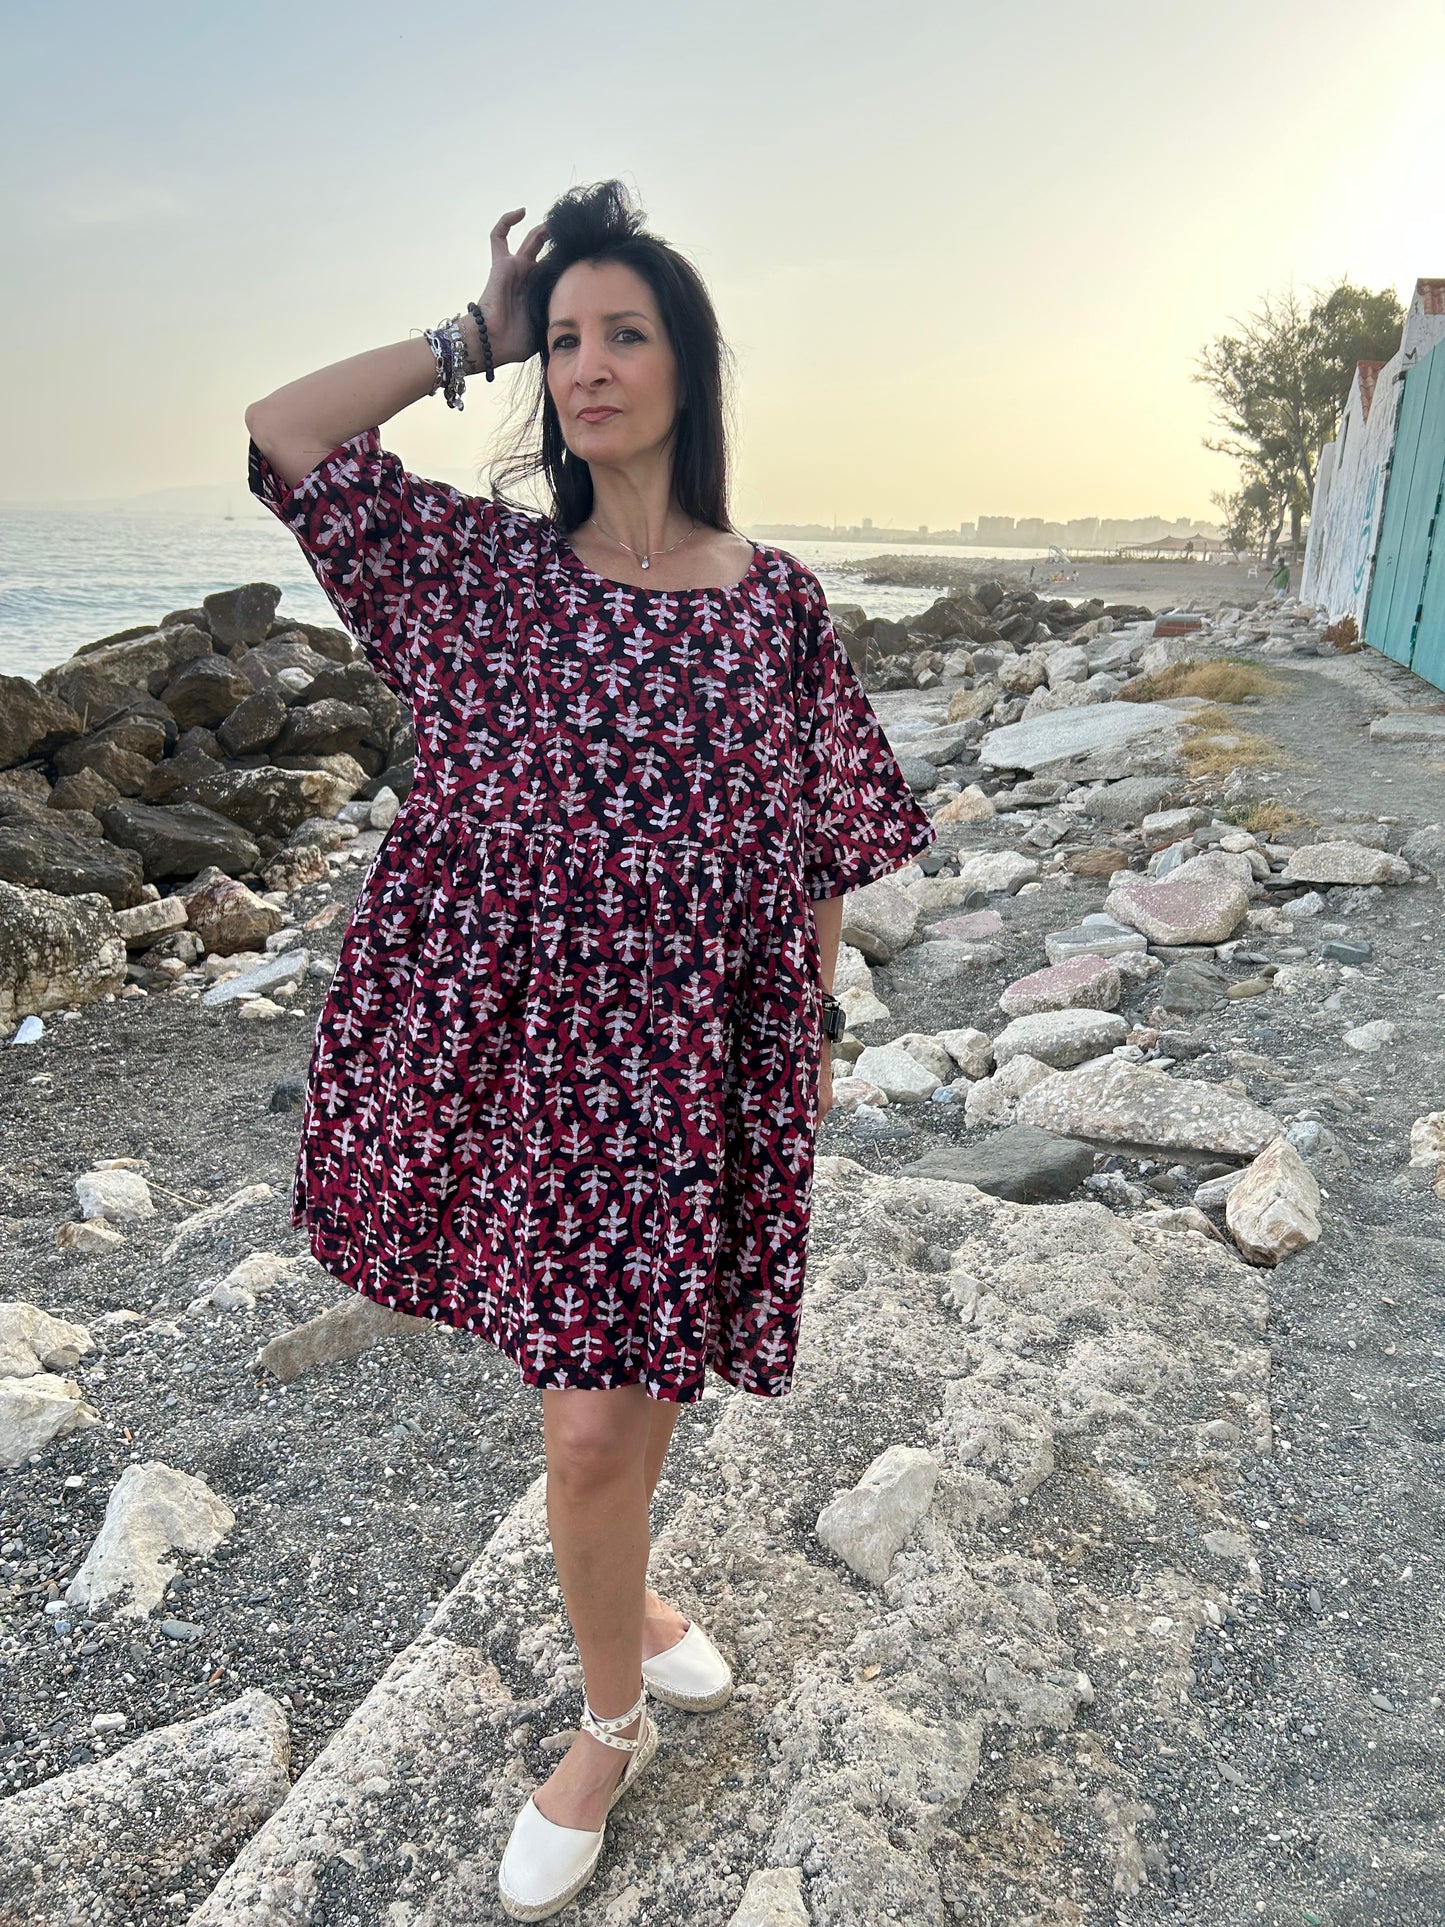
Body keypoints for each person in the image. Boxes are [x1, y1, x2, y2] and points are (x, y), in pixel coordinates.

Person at [244, 180, 936, 1921]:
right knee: (590, 1402)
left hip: (685, 1064)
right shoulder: (480, 579)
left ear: (689, 367)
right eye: (563, 342)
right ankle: (633, 1616)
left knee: (593, 1423)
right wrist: (465, 332)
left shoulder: (770, 606)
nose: (588, 366)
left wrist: (819, 1031)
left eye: (624, 332)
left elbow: (819, 849)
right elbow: (282, 433)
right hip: (501, 1051)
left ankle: (605, 1719)